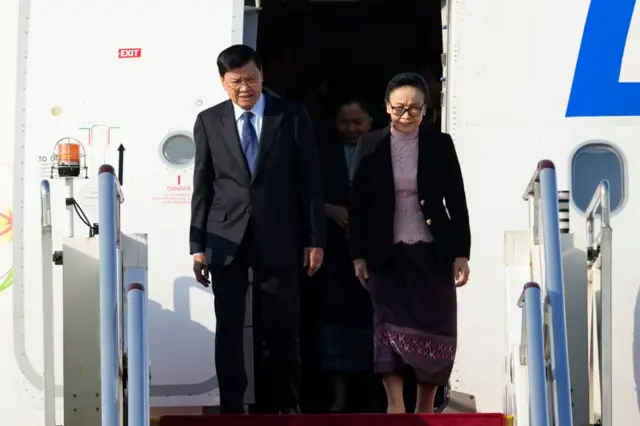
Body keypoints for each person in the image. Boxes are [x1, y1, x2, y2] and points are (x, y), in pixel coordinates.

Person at [189, 44, 326, 415]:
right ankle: (232, 406)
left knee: (281, 328)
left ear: (262, 75)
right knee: (230, 329)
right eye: (236, 82)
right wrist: (197, 244)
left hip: (280, 238)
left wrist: (315, 239)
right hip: (225, 239)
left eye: (251, 79)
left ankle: (281, 403)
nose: (245, 88)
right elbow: (202, 186)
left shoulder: (291, 116)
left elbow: (309, 183)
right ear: (223, 82)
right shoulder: (208, 121)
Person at [348, 72, 471, 414]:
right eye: (399, 108)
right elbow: (357, 205)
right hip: (385, 252)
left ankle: (426, 406)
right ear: (386, 108)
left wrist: (461, 253)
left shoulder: (440, 144)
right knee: (387, 324)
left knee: (436, 324)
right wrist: (357, 254)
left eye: (414, 108)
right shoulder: (369, 144)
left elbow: (456, 202)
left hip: (432, 250)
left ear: (425, 108)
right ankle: (395, 406)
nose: (406, 115)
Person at [315, 98, 377, 412]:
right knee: (333, 318)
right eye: (344, 122)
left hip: (375, 247)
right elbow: (305, 191)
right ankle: (337, 396)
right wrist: (327, 209)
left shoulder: (384, 149)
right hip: (335, 249)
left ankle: (371, 394)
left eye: (358, 122)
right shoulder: (322, 152)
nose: (350, 129)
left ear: (372, 120)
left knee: (373, 318)